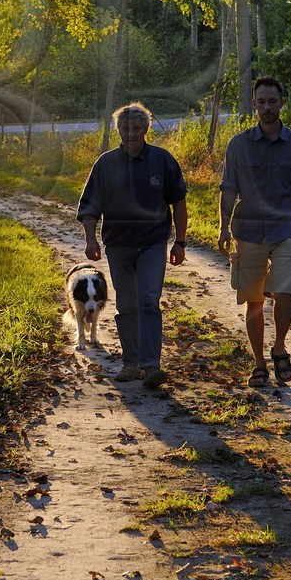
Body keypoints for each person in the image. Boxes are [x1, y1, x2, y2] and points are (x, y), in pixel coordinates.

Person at [77, 103, 187, 388]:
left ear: (146, 129)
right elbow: (90, 206)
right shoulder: (106, 164)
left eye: (137, 128)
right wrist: (91, 239)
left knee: (148, 300)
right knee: (127, 304)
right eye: (125, 128)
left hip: (152, 243)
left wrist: (180, 242)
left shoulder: (162, 161)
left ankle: (151, 366)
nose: (131, 133)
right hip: (118, 245)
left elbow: (179, 202)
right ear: (118, 130)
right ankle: (131, 363)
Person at [218, 76, 291, 388]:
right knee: (254, 300)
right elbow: (229, 188)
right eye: (261, 101)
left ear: (282, 102)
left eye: (273, 101)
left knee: (286, 291)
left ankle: (280, 346)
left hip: (286, 227)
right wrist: (222, 228)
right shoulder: (239, 145)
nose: (267, 107)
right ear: (254, 103)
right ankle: (259, 362)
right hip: (248, 229)